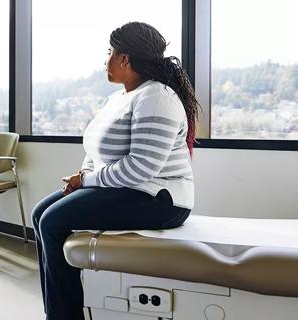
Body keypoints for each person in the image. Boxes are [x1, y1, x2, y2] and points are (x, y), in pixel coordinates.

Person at [31, 21, 200, 320]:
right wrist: (83, 178)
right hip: (125, 190)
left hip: (160, 199)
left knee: (52, 221)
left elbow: (140, 168)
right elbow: (94, 153)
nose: (105, 59)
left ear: (125, 59)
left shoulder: (157, 97)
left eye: (109, 51)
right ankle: (55, 313)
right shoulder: (118, 98)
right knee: (39, 214)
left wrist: (85, 181)